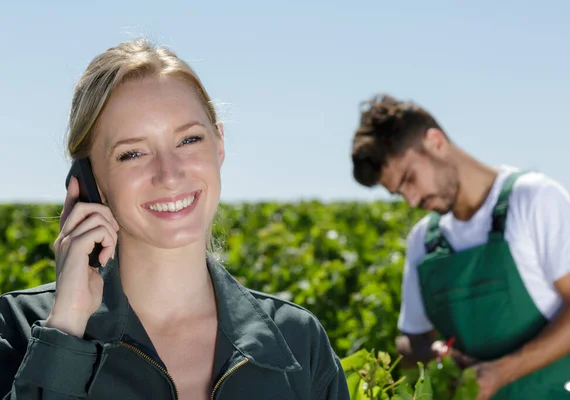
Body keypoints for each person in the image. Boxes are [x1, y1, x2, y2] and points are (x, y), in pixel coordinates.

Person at [0, 39, 350, 400]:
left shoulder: (299, 342)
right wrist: (66, 331)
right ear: (89, 182)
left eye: (189, 140)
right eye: (132, 153)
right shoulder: (16, 327)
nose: (169, 174)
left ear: (219, 144)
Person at [350, 94, 570, 400]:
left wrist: (502, 372)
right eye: (399, 192)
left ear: (436, 142)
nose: (412, 200)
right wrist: (438, 354)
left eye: (409, 179)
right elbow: (411, 341)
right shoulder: (423, 240)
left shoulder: (534, 199)